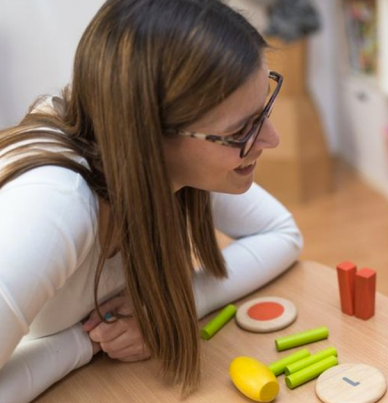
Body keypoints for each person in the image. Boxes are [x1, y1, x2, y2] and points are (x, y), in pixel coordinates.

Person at [0, 0, 303, 401]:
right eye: (242, 128)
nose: (271, 138)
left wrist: (165, 311)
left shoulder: (168, 167)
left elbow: (282, 233)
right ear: (151, 137)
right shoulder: (54, 206)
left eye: (262, 108)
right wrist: (81, 343)